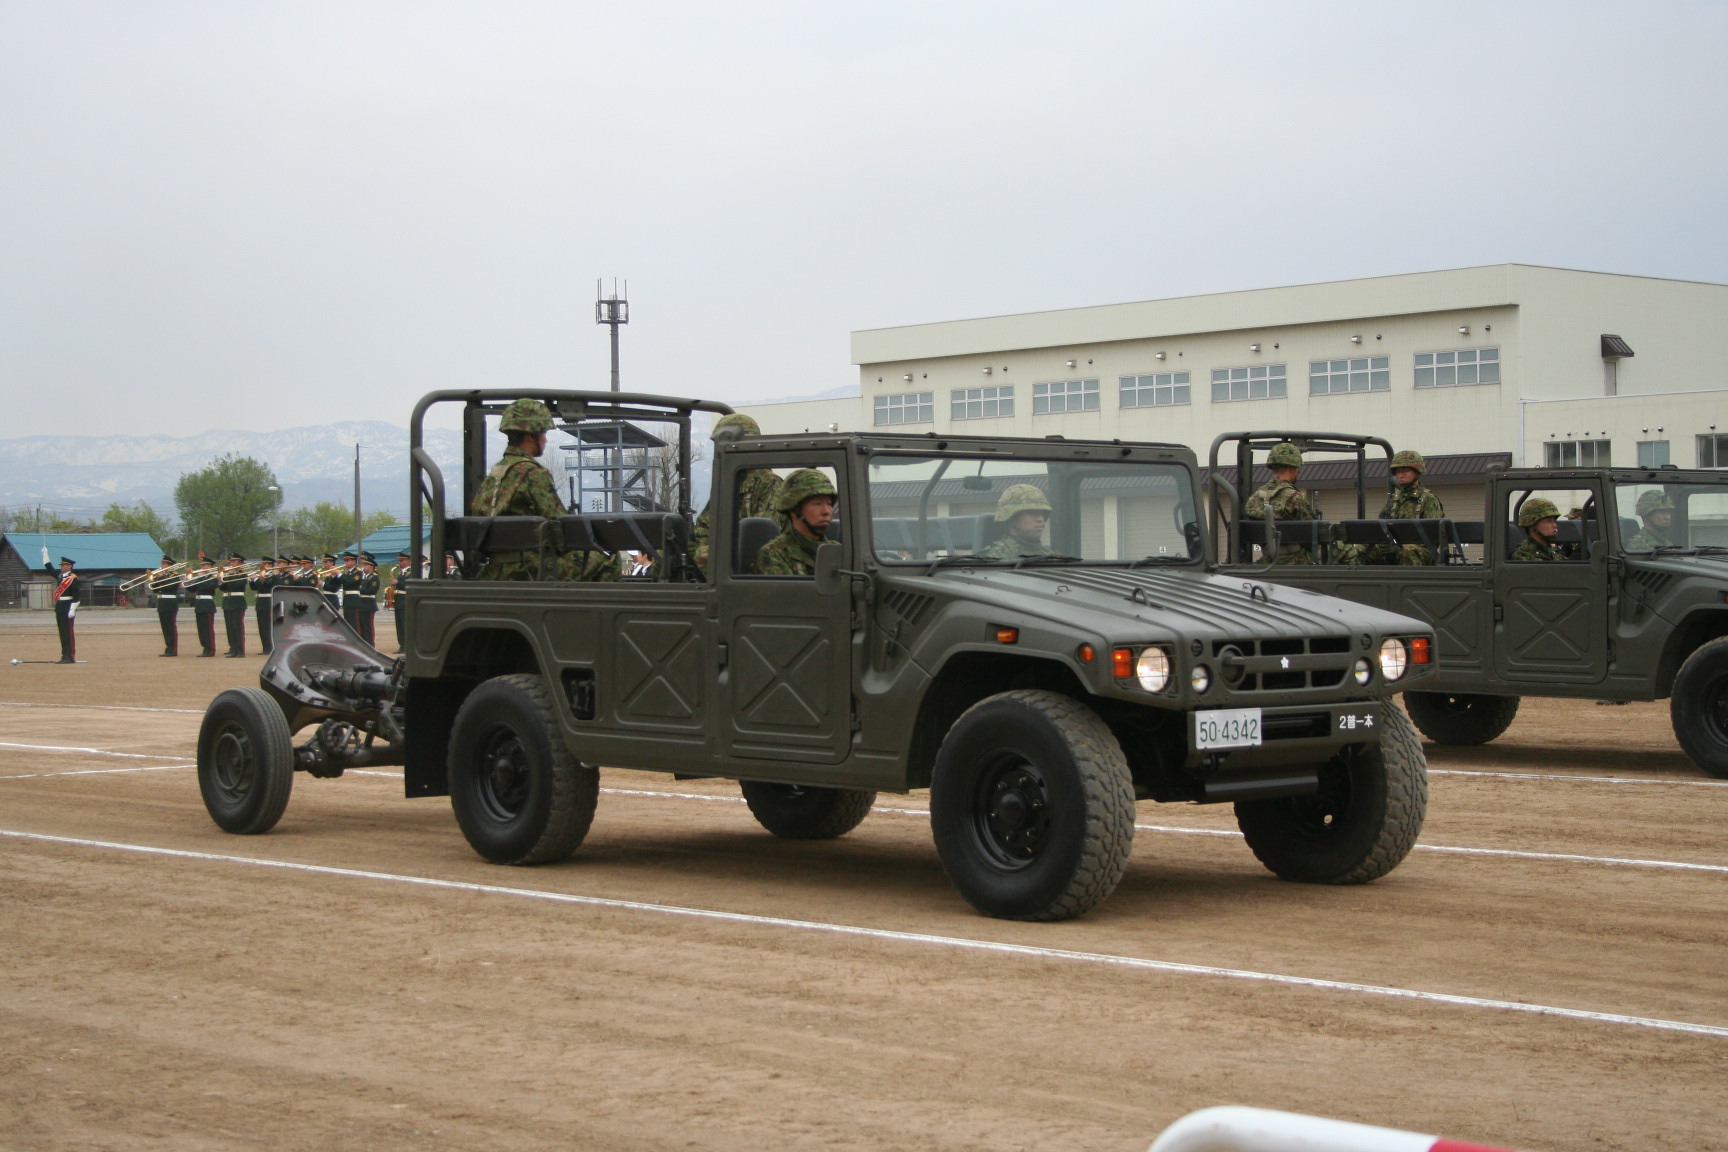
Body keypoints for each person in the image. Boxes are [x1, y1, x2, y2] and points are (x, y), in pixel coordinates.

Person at [471, 398, 615, 582]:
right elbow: (560, 526)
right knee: (607, 561)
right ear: (531, 436)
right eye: (544, 434)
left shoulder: (495, 475)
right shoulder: (533, 474)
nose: (545, 440)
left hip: (494, 570)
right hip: (529, 569)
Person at [691, 413, 786, 571]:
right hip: (725, 558)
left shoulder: (768, 483)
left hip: (753, 568)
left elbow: (762, 538)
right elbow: (704, 526)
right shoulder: (729, 481)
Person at [1341, 449, 1447, 565]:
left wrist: (1400, 546)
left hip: (1420, 552)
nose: (1400, 475)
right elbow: (1380, 527)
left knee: (1408, 552)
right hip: (1393, 547)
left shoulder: (1428, 500)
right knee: (1361, 551)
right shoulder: (1394, 500)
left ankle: (1407, 583)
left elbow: (1432, 537)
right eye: (1398, 471)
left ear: (1417, 472)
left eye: (1405, 471)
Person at [1243, 442, 1320, 564]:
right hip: (1297, 562)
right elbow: (1314, 537)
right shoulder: (1295, 498)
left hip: (1267, 562)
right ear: (1292, 468)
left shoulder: (1255, 497)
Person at [749, 469, 837, 576]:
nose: (826, 511)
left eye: (829, 504)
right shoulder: (773, 555)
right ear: (794, 510)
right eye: (817, 504)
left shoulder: (837, 551)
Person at [977, 484, 1056, 560]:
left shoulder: (1049, 554)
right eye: (1032, 513)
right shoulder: (997, 556)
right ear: (1012, 518)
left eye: (1042, 513)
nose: (1040, 519)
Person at [40, 548, 79, 663]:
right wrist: (45, 555)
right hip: (60, 606)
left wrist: (72, 610)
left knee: (68, 633)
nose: (61, 567)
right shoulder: (60, 576)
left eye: (64, 565)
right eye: (61, 565)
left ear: (69, 566)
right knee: (62, 632)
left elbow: (77, 596)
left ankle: (70, 656)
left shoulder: (73, 579)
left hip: (68, 606)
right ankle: (64, 655)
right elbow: (49, 568)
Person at [147, 555, 182, 657]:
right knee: (165, 628)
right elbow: (156, 590)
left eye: (164, 564)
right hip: (161, 602)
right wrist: (154, 580)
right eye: (162, 564)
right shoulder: (161, 576)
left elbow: (170, 586)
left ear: (170, 565)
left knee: (171, 627)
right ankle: (168, 648)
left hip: (170, 602)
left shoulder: (174, 575)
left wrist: (161, 577)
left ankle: (173, 650)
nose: (162, 566)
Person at [1511, 497, 1566, 562]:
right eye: (1548, 521)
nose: (1554, 526)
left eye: (1554, 521)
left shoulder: (1553, 551)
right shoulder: (1524, 555)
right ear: (1533, 525)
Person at [185, 556, 220, 656]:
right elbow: (193, 589)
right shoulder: (201, 578)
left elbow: (208, 586)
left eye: (204, 565)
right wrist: (188, 581)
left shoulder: (214, 577)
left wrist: (200, 578)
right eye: (202, 565)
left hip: (208, 603)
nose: (202, 567)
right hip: (199, 604)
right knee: (201, 629)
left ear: (210, 566)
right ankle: (205, 648)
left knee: (208, 629)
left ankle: (211, 649)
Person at [219, 553, 249, 657]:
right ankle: (233, 649)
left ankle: (240, 650)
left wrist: (231, 575)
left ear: (240, 563)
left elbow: (237, 585)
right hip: (227, 602)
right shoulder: (228, 574)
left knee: (238, 628)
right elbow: (223, 588)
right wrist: (220, 580)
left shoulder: (242, 574)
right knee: (230, 628)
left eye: (234, 562)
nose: (231, 563)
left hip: (237, 602)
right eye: (231, 561)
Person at [350, 553, 381, 645]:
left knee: (368, 626)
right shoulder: (364, 577)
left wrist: (359, 587)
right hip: (361, 604)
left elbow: (371, 591)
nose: (364, 567)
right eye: (363, 565)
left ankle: (370, 644)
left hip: (368, 604)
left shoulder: (374, 578)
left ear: (372, 566)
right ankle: (364, 644)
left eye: (366, 565)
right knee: (361, 626)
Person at [250, 557, 279, 655]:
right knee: (262, 627)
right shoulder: (262, 575)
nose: (264, 566)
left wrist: (256, 579)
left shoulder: (273, 576)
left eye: (266, 564)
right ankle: (265, 648)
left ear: (271, 565)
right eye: (263, 564)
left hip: (268, 602)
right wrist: (252, 580)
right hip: (260, 602)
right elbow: (254, 587)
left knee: (267, 626)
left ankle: (270, 647)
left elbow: (267, 584)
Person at [390, 549, 413, 652]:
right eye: (399, 560)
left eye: (402, 560)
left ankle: (407, 646)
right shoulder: (401, 573)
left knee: (404, 625)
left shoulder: (411, 572)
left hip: (405, 600)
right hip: (398, 601)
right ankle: (402, 645)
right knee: (399, 625)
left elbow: (409, 586)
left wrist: (397, 583)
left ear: (408, 561)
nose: (400, 563)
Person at [338, 551, 362, 629]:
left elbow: (349, 582)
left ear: (353, 561)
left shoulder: (358, 572)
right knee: (347, 623)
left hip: (353, 600)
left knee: (354, 623)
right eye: (345, 560)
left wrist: (339, 575)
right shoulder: (347, 573)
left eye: (347, 560)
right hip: (347, 599)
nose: (345, 562)